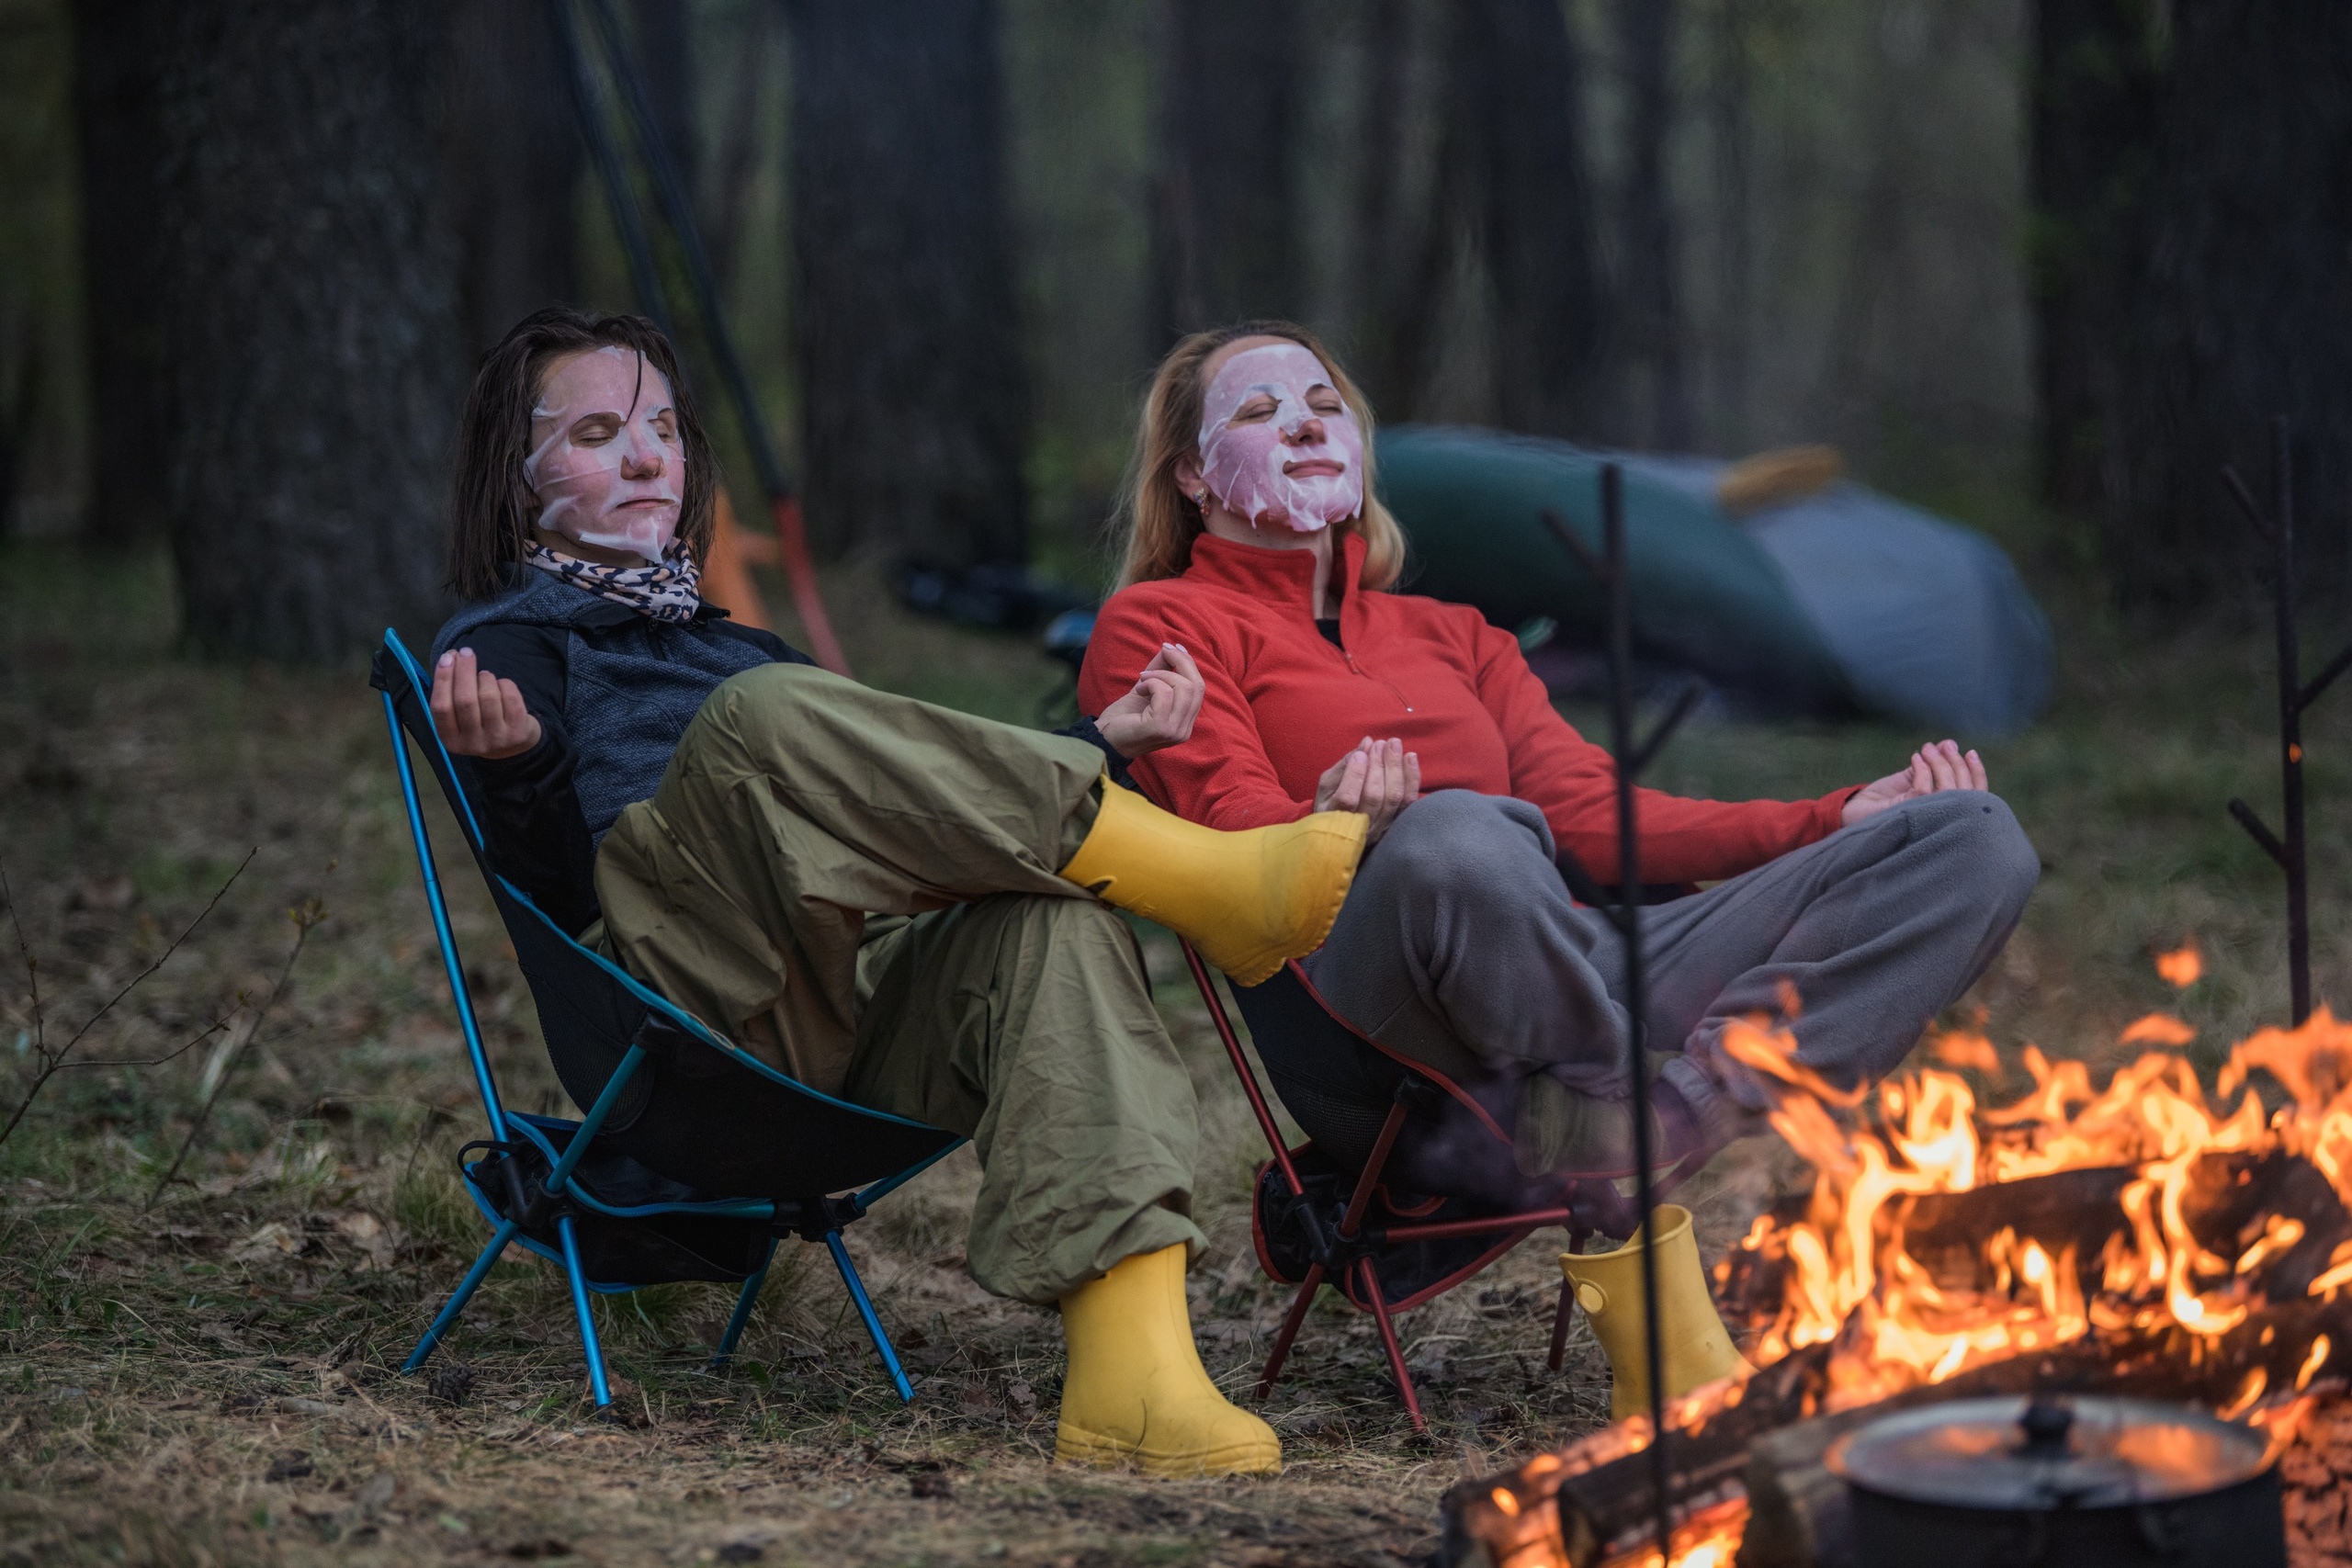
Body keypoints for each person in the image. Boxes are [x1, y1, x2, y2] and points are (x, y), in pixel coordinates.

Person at [427, 306, 1371, 1479]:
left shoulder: (744, 650)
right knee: (762, 721)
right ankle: (1204, 887)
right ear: (520, 487)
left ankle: (1136, 1373)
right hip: (669, 1016)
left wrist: (1095, 739)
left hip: (837, 1004)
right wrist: (514, 773)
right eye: (597, 432)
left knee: (1046, 924)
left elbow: (898, 830)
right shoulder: (506, 648)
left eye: (663, 428)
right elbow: (552, 910)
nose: (644, 458)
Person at [1080, 321, 2041, 1193]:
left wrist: (1833, 818)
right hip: (1381, 1017)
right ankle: (1600, 1090)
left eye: (1326, 406)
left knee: (1970, 838)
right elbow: (1224, 843)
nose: (1302, 425)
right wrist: (1327, 828)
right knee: (1453, 833)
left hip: (1570, 967)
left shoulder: (1454, 632)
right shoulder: (1158, 626)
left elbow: (1591, 816)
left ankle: (1676, 1110)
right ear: (1192, 477)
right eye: (1259, 411)